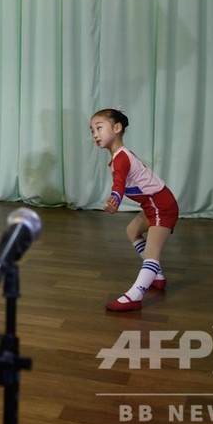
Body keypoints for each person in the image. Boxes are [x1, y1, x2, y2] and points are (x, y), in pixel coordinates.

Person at [90, 108, 179, 312]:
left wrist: (115, 199)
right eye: (92, 130)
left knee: (151, 253)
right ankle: (156, 276)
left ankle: (135, 295)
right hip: (154, 203)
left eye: (99, 128)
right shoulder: (120, 156)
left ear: (117, 128)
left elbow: (119, 183)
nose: (95, 134)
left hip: (160, 205)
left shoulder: (121, 158)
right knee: (132, 231)